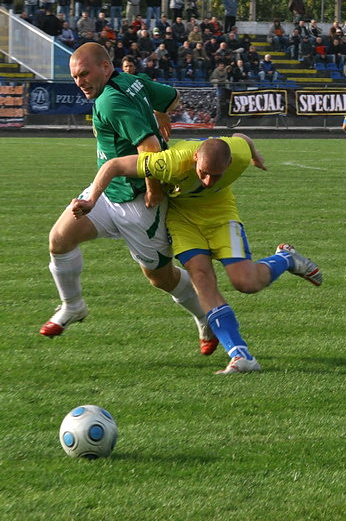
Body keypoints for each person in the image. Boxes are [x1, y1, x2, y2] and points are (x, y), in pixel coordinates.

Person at [70, 135, 322, 374]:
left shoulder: (238, 153)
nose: (209, 181)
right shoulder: (171, 161)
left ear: (230, 163)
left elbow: (243, 138)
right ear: (194, 161)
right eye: (203, 173)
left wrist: (255, 154)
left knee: (246, 283)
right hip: (183, 221)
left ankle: (286, 258)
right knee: (202, 279)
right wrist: (92, 199)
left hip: (222, 217)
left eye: (217, 175)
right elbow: (114, 165)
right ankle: (241, 356)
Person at [39, 43, 215, 356]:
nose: (80, 82)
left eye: (85, 73)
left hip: (139, 202)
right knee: (59, 239)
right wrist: (161, 113)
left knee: (160, 278)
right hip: (108, 191)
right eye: (76, 76)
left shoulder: (110, 101)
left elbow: (150, 149)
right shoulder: (134, 81)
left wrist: (154, 189)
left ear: (106, 67)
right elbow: (173, 96)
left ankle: (205, 317)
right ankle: (73, 306)